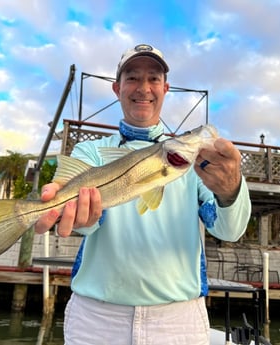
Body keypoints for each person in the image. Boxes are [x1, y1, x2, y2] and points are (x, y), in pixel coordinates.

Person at [35, 44, 251, 345]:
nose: (143, 88)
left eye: (153, 78)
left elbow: (229, 230)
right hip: (97, 318)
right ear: (117, 88)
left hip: (179, 321)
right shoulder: (90, 151)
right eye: (133, 78)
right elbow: (86, 224)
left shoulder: (199, 161)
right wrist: (72, 215)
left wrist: (231, 191)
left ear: (166, 87)